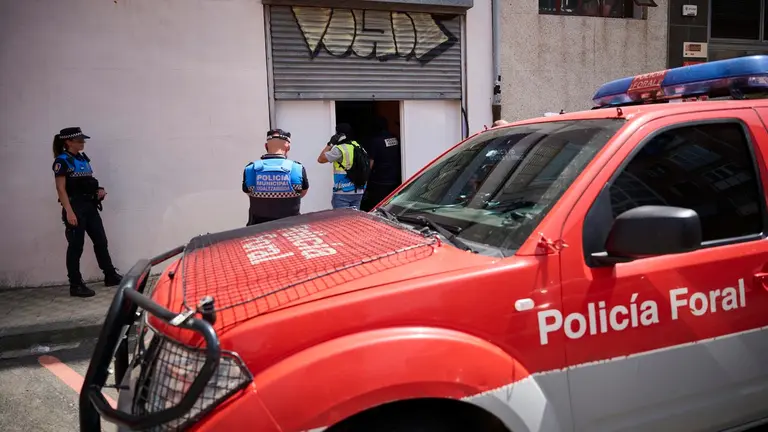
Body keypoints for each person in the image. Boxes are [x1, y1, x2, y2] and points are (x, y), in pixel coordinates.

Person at [52, 127, 122, 298]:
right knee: (76, 246)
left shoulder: (82, 159)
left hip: (90, 206)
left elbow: (87, 182)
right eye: (79, 140)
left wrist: (99, 190)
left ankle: (110, 275)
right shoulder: (62, 161)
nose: (83, 143)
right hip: (75, 207)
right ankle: (75, 285)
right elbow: (61, 189)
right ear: (68, 142)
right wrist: (69, 212)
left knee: (100, 241)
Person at [242, 128, 309, 225]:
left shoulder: (250, 169)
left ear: (266, 146)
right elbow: (302, 193)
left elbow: (249, 193)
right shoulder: (297, 169)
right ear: (288, 147)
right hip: (290, 230)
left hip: (257, 231)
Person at [317, 123, 366, 209]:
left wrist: (330, 144)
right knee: (354, 220)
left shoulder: (340, 149)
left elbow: (321, 159)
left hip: (343, 191)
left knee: (341, 220)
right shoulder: (359, 147)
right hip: (359, 191)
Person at [360, 116, 402, 212]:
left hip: (380, 179)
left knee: (379, 205)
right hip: (395, 177)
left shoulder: (375, 141)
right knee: (392, 204)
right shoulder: (395, 138)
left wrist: (365, 177)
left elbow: (371, 162)